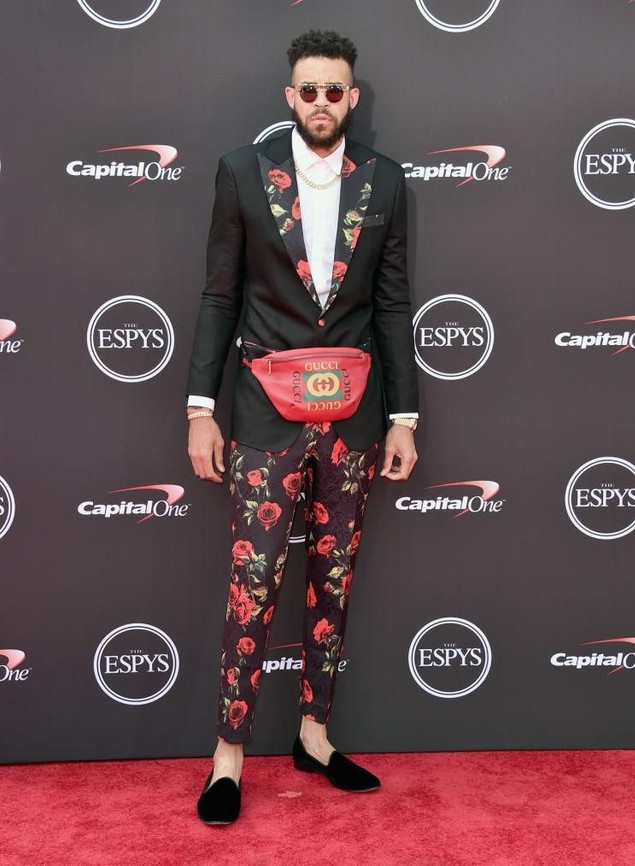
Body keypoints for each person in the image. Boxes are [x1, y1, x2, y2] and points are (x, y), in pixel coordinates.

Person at [186, 29, 419, 824]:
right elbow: (220, 296)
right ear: (291, 96)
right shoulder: (241, 172)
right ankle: (228, 756)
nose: (322, 102)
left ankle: (314, 736)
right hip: (262, 413)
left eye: (335, 90)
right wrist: (201, 409)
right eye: (309, 90)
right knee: (252, 584)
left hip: (353, 418)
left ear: (352, 98)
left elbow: (392, 306)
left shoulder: (385, 181)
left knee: (334, 579)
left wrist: (403, 418)